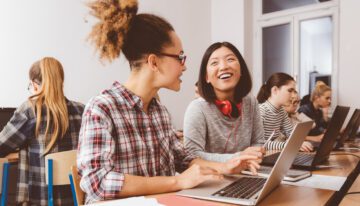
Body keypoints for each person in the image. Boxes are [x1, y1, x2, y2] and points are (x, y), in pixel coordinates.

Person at [78, 0, 261, 204]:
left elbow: (182, 159)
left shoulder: (160, 112)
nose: (184, 67)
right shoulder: (102, 108)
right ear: (154, 62)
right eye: (180, 57)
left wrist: (225, 167)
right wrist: (176, 182)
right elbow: (98, 182)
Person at [0, 57, 84, 205]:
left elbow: (2, 145)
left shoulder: (31, 110)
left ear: (34, 84)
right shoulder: (81, 110)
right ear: (61, 81)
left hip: (43, 199)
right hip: (78, 198)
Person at [183, 42, 264, 163]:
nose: (224, 67)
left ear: (241, 69)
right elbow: (191, 155)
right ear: (206, 77)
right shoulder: (197, 108)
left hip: (249, 172)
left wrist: (255, 154)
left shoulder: (250, 101)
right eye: (214, 63)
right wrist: (238, 157)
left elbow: (258, 142)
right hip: (215, 177)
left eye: (230, 59)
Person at [257, 72, 313, 151]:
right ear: (275, 90)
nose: (293, 96)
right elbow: (259, 144)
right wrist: (289, 145)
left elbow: (291, 134)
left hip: (273, 153)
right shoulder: (261, 111)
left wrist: (300, 143)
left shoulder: (281, 111)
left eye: (294, 91)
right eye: (290, 91)